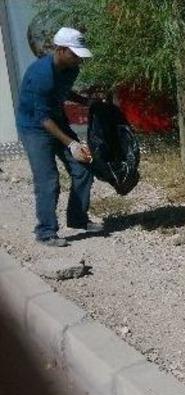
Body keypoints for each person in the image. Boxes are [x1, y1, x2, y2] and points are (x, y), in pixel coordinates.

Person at [15, 27, 102, 247]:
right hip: (34, 127)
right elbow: (43, 119)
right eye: (75, 54)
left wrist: (84, 101)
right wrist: (71, 143)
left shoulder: (71, 68)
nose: (79, 60)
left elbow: (62, 91)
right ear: (61, 50)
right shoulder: (40, 74)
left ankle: (77, 218)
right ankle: (46, 232)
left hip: (56, 120)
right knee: (48, 180)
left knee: (83, 169)